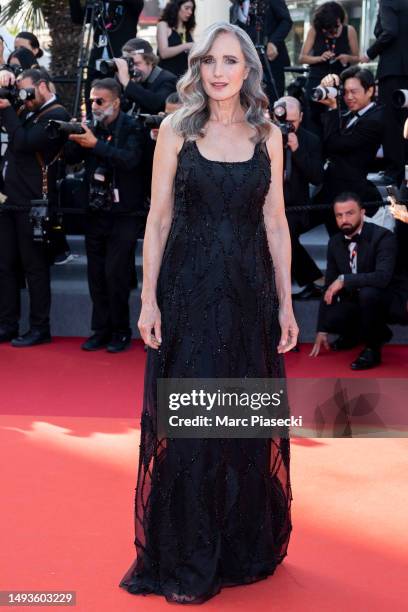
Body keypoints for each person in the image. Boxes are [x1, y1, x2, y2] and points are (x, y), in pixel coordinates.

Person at [119, 21, 298, 604]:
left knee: (240, 422)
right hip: (190, 292)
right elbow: (158, 218)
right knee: (194, 421)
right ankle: (191, 554)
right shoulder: (175, 129)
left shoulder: (267, 133)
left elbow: (275, 221)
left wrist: (287, 303)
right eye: (209, 61)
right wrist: (149, 298)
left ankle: (241, 544)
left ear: (248, 69)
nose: (219, 71)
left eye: (230, 61)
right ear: (197, 68)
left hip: (249, 294)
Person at [64, 78, 146, 353]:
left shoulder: (133, 127)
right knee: (96, 274)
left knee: (116, 273)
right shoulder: (93, 126)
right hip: (95, 210)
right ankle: (100, 329)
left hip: (124, 213)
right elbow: (70, 157)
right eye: (92, 101)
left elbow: (130, 160)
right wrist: (74, 135)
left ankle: (121, 330)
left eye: (100, 101)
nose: (95, 106)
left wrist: (95, 144)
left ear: (116, 102)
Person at [0, 68, 70, 347]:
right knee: (4, 267)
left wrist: (6, 108)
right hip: (9, 201)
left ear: (42, 86)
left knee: (35, 268)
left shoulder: (58, 116)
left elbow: (23, 143)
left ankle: (40, 327)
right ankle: (7, 323)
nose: (24, 98)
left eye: (28, 92)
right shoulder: (25, 110)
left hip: (34, 204)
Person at [310, 192, 396, 370]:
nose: (344, 219)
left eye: (350, 213)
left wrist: (344, 280)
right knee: (333, 312)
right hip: (355, 299)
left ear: (362, 212)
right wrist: (322, 328)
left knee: (368, 293)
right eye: (339, 215)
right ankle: (354, 335)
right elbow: (328, 286)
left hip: (385, 298)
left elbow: (382, 277)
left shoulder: (383, 237)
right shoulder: (335, 242)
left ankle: (373, 349)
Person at [314, 65, 384, 234]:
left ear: (370, 91)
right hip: (331, 190)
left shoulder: (376, 118)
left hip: (352, 194)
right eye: (344, 92)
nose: (348, 97)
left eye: (354, 91)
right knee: (292, 227)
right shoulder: (349, 114)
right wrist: (326, 88)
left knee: (342, 245)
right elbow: (318, 126)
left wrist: (332, 109)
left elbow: (335, 144)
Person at [273, 96, 325, 300]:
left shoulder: (310, 140)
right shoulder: (265, 136)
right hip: (270, 202)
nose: (288, 125)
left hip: (296, 206)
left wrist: (297, 150)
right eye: (283, 120)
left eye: (292, 121)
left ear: (301, 118)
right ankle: (312, 279)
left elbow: (317, 176)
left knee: (286, 235)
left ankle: (312, 279)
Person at [362, 0, 408, 184]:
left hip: (393, 69)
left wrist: (369, 53)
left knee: (391, 120)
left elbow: (390, 31)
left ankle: (395, 170)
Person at [299, 1, 359, 134]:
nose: (334, 33)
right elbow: (302, 58)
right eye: (329, 31)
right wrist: (319, 58)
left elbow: (357, 58)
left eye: (336, 28)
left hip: (340, 80)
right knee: (314, 120)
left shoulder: (349, 30)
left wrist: (347, 57)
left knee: (340, 117)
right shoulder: (315, 30)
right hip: (317, 79)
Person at [229, 0, 293, 104]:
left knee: (274, 100)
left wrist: (273, 42)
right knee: (247, 99)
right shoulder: (234, 8)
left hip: (271, 59)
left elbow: (286, 21)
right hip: (247, 61)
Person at [115, 38, 177, 114]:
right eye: (129, 64)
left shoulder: (167, 80)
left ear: (150, 61)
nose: (133, 68)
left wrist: (128, 84)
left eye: (137, 64)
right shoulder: (126, 78)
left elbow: (156, 104)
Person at [157, 0, 195, 79]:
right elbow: (163, 53)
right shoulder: (163, 25)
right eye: (187, 8)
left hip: (185, 78)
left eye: (192, 9)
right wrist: (186, 46)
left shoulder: (188, 29)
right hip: (167, 78)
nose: (190, 12)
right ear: (176, 7)